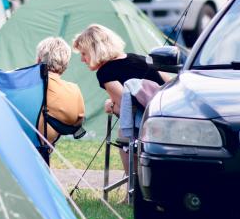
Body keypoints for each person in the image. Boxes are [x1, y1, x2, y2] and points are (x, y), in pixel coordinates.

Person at [72, 24, 171, 174]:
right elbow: (169, 83)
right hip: (169, 114)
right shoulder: (139, 57)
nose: (82, 59)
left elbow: (127, 109)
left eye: (84, 53)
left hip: (152, 124)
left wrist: (110, 106)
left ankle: (132, 190)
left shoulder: (106, 72)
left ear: (94, 51)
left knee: (123, 134)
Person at [35, 37, 85, 166]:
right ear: (65, 64)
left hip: (25, 138)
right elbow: (78, 121)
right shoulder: (74, 89)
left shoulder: (28, 81)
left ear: (39, 59)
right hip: (47, 143)